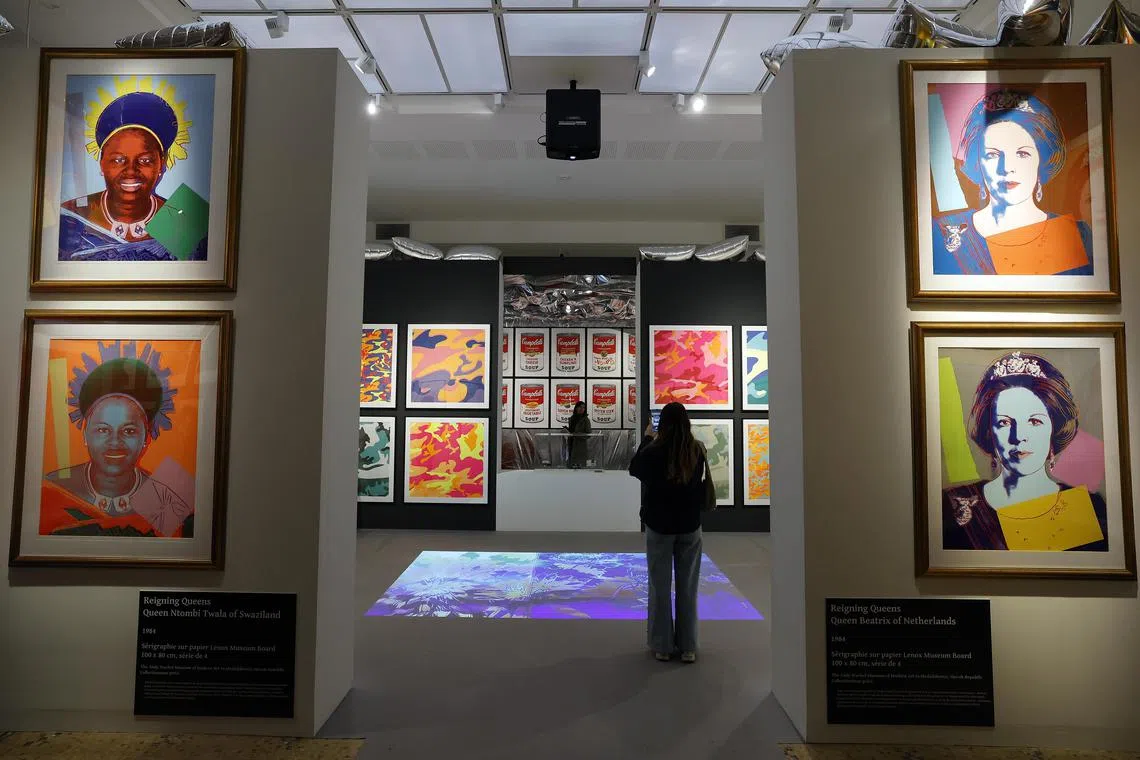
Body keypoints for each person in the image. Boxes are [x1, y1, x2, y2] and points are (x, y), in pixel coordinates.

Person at [942, 351, 1107, 551]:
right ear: (989, 432)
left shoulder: (1087, 508)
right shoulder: (950, 507)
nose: (1018, 436)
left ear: (1053, 430)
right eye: (1004, 422)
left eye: (1034, 421)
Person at [933, 89, 1092, 276]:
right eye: (992, 154)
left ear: (1041, 161)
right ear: (978, 164)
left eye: (1022, 153)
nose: (1007, 167)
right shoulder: (943, 232)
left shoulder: (1077, 237)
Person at [40, 348, 192, 538]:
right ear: (85, 435)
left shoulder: (170, 499)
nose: (115, 441)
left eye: (128, 431)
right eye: (103, 430)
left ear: (146, 438)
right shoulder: (50, 492)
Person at [58, 85, 203, 261]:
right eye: (119, 160)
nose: (131, 171)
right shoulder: (72, 216)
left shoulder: (186, 220)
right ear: (102, 163)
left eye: (145, 160)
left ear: (161, 165)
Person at [629, 401, 707, 663]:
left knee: (659, 587)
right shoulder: (697, 450)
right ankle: (688, 646)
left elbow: (635, 470)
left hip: (660, 526)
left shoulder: (654, 450)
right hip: (689, 526)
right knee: (688, 588)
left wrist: (646, 439)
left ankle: (662, 645)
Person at [566, 401, 591, 469]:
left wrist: (577, 434)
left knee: (580, 466)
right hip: (571, 443)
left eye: (583, 408)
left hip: (580, 445)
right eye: (580, 407)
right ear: (576, 408)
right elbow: (572, 430)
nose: (582, 409)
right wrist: (567, 430)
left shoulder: (586, 420)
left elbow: (588, 434)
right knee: (571, 465)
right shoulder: (572, 418)